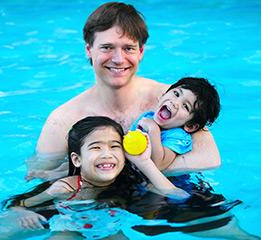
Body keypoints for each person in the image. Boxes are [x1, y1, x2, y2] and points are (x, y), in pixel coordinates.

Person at [26, 2, 220, 181]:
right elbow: (39, 177)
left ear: (141, 52)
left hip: (170, 193)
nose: (118, 59)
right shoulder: (63, 119)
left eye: (128, 48)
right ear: (89, 50)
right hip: (100, 200)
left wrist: (110, 167)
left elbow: (210, 159)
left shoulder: (173, 100)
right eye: (107, 47)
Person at [0, 116, 190, 240]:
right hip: (67, 225)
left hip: (109, 227)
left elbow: (178, 197)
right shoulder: (64, 187)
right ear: (77, 160)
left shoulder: (130, 182)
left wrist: (143, 162)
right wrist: (22, 211)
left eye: (114, 146)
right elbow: (19, 203)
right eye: (96, 147)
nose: (107, 154)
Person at [129, 77, 220, 171]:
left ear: (190, 126)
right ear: (162, 95)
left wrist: (153, 130)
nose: (175, 103)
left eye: (185, 106)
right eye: (176, 94)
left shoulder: (177, 136)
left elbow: (159, 165)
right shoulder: (147, 116)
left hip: (180, 183)